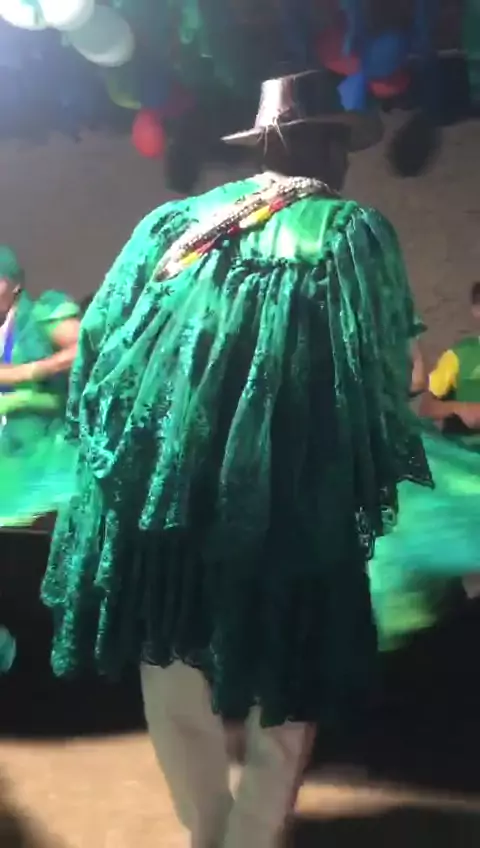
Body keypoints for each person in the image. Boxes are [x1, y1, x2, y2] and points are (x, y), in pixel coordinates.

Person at [41, 70, 433, 847]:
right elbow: (386, 368)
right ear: (317, 144)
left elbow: (100, 339)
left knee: (169, 651)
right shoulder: (348, 230)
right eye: (337, 143)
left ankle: (206, 828)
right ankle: (250, 835)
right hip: (283, 487)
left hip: (164, 480)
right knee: (290, 660)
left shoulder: (170, 226)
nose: (344, 162)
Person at [0, 246, 80, 526]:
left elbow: (84, 348)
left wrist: (28, 372)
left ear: (15, 285)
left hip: (46, 455)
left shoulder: (41, 313)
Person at [420, 281, 480, 442]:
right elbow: (426, 408)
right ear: (477, 310)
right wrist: (460, 408)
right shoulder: (457, 356)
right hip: (464, 450)